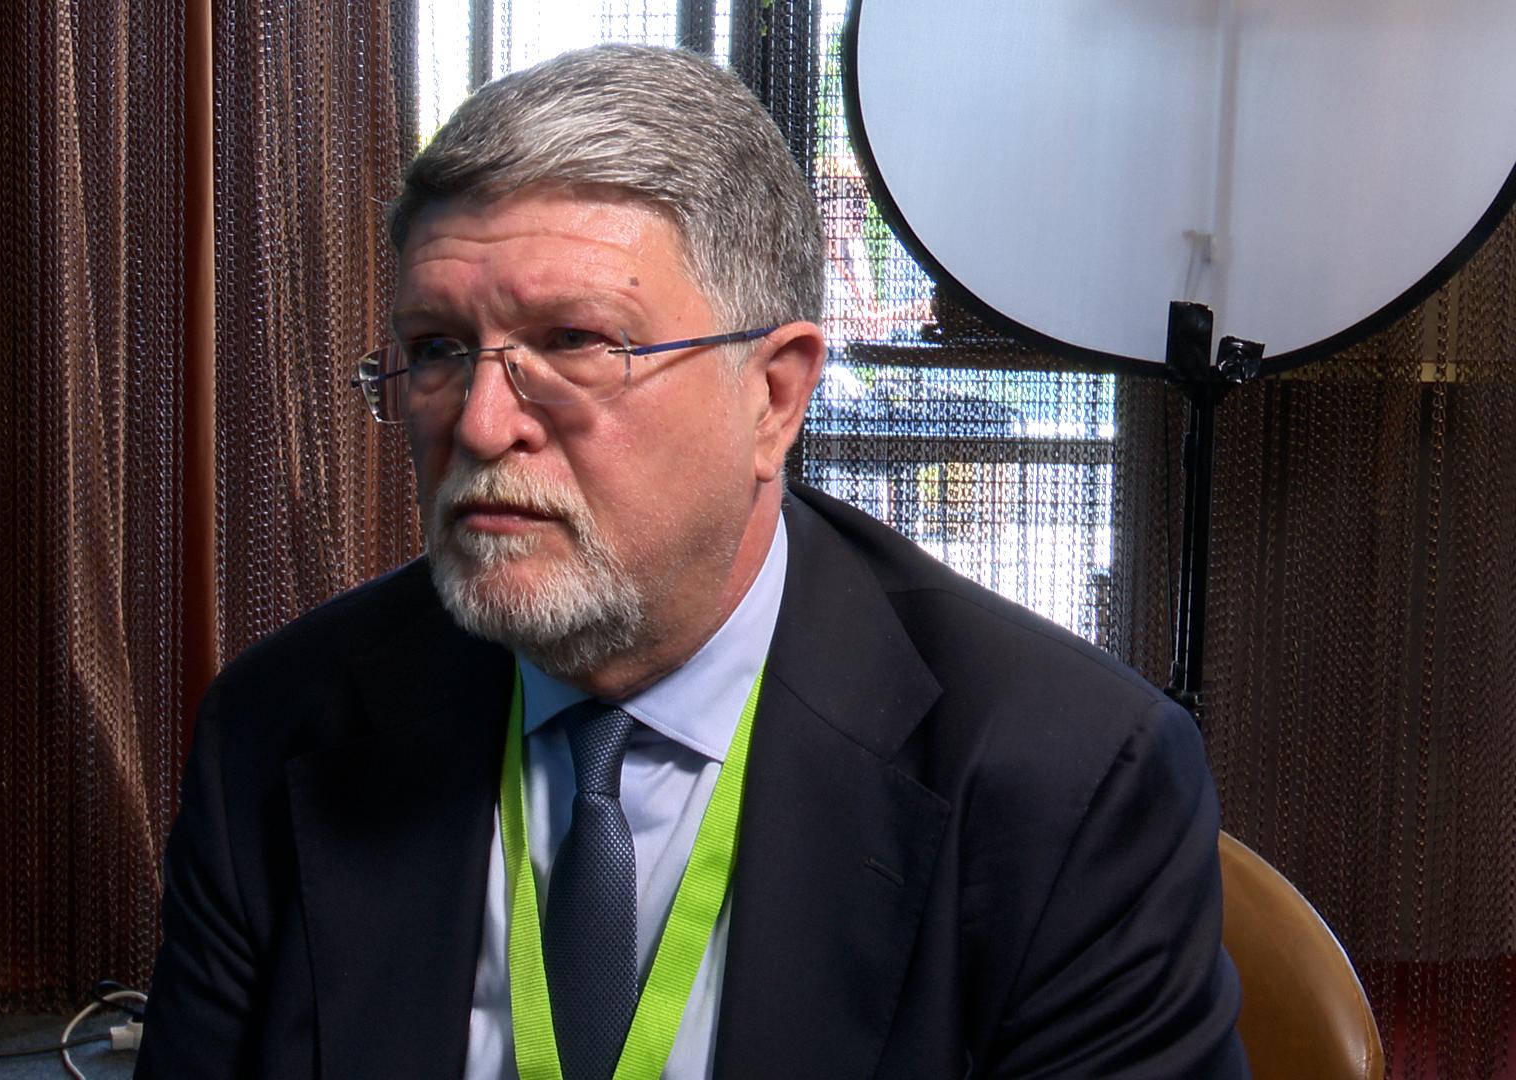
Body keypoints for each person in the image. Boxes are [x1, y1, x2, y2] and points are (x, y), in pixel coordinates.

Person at [137, 44, 1248, 1079]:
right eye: (436, 349)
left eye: (574, 342)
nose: (478, 424)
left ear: (774, 397)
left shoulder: (1065, 779)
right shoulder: (278, 727)